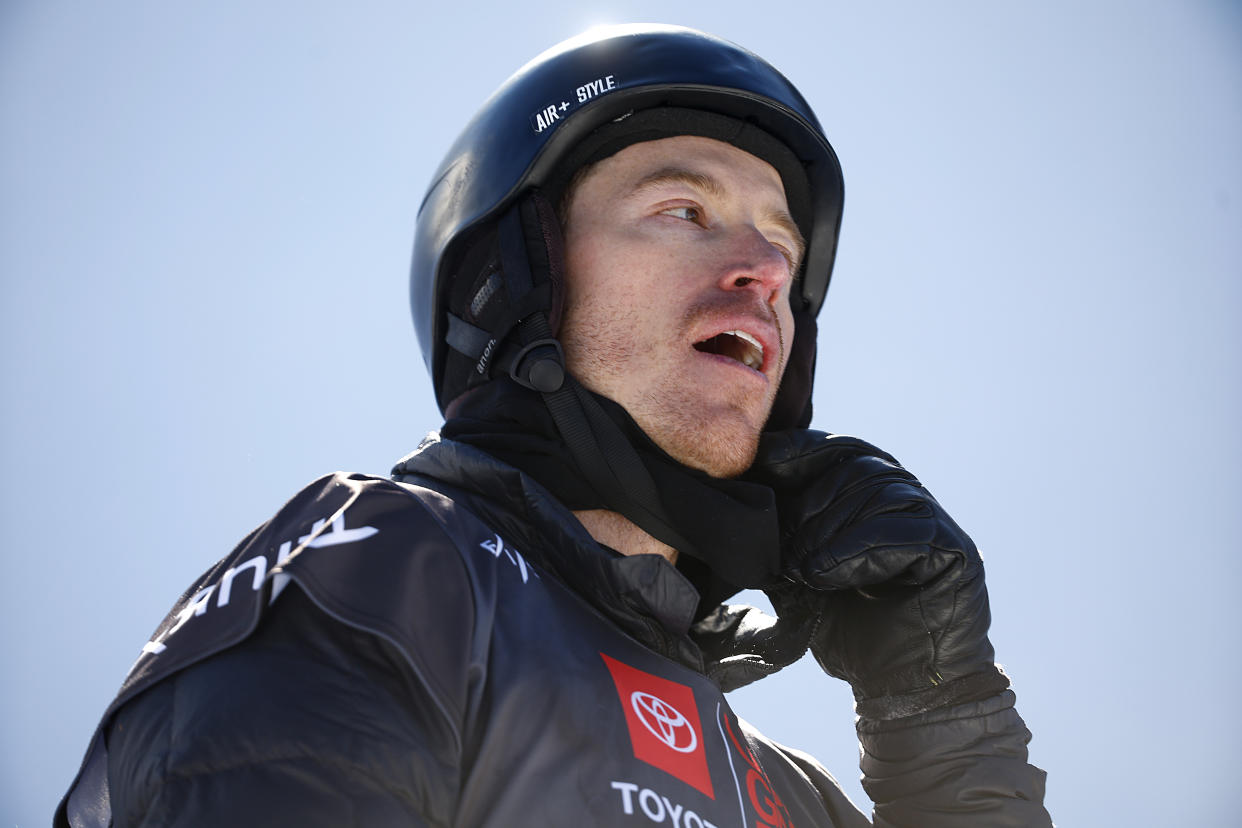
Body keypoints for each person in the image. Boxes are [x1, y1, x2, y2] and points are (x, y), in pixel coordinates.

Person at [57, 24, 1052, 827]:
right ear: (511, 285)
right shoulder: (385, 564)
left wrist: (936, 705)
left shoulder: (793, 797)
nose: (766, 268)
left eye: (781, 239)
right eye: (683, 210)